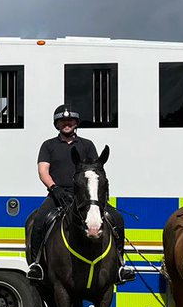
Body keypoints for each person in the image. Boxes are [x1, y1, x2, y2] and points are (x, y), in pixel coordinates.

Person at [25, 104, 135, 284]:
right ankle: (36, 265)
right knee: (39, 220)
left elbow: (96, 169)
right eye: (62, 121)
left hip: (85, 197)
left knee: (117, 219)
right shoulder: (48, 145)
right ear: (57, 125)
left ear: (75, 123)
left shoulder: (87, 145)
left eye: (70, 121)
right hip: (58, 194)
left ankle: (120, 265)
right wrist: (55, 188)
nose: (66, 124)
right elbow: (43, 170)